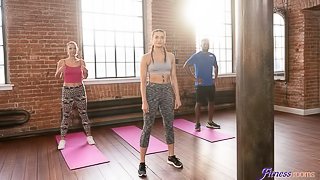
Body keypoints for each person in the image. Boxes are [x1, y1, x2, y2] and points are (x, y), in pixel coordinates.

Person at [138, 29, 183, 177]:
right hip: (152, 91)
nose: (159, 40)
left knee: (169, 124)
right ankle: (142, 163)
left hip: (167, 91)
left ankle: (171, 156)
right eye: (156, 37)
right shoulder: (146, 58)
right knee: (148, 126)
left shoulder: (170, 56)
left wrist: (177, 96)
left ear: (165, 39)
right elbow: (143, 81)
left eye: (162, 37)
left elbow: (174, 78)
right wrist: (144, 101)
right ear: (152, 39)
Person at [55, 41, 95, 150]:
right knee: (66, 115)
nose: (72, 50)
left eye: (74, 48)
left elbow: (85, 76)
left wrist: (86, 71)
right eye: (70, 48)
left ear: (76, 50)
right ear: (67, 50)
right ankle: (62, 139)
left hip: (79, 89)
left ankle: (89, 136)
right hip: (67, 90)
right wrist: (60, 70)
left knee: (83, 113)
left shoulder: (81, 62)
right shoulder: (62, 62)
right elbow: (57, 76)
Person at [183, 38, 221, 132]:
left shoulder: (212, 56)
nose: (205, 45)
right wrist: (194, 79)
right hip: (200, 85)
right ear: (201, 45)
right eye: (204, 44)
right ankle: (197, 123)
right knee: (198, 103)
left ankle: (210, 122)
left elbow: (216, 67)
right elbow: (186, 66)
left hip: (210, 84)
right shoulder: (197, 56)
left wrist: (215, 78)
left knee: (211, 102)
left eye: (207, 44)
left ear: (209, 45)